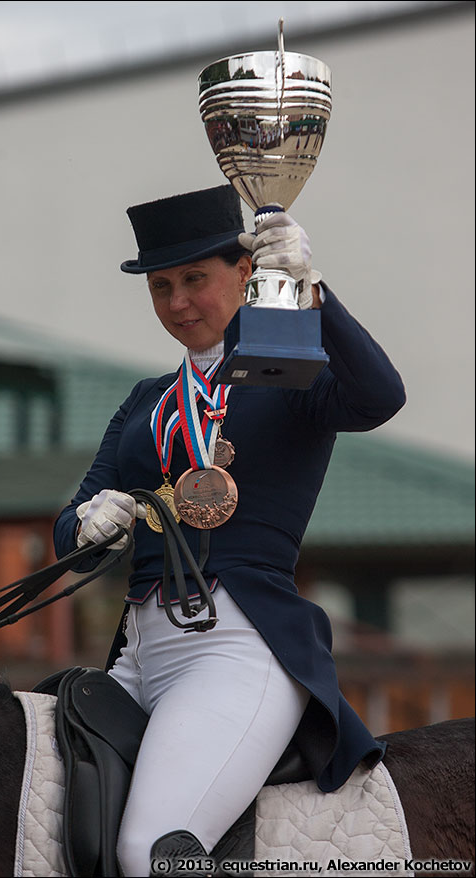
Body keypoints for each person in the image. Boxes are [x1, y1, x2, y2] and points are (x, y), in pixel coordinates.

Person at [54, 185, 406, 877]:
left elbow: (379, 397)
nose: (178, 302)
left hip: (238, 649)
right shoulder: (146, 400)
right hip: (136, 654)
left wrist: (316, 292)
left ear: (245, 274)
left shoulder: (292, 372)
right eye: (161, 287)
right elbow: (71, 533)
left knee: (151, 853)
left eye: (194, 280)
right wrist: (88, 523)